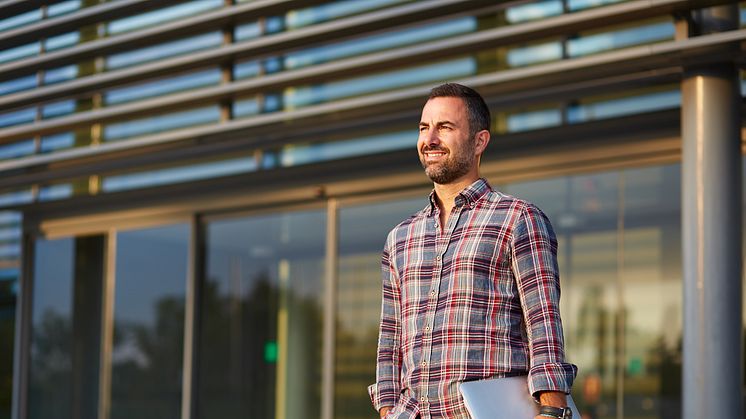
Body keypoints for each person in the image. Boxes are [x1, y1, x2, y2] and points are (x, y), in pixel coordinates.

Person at [368, 83, 577, 418]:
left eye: (445, 127)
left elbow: (544, 325)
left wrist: (553, 412)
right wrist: (387, 409)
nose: (430, 139)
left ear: (480, 141)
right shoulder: (400, 238)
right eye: (424, 128)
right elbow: (390, 340)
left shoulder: (519, 220)